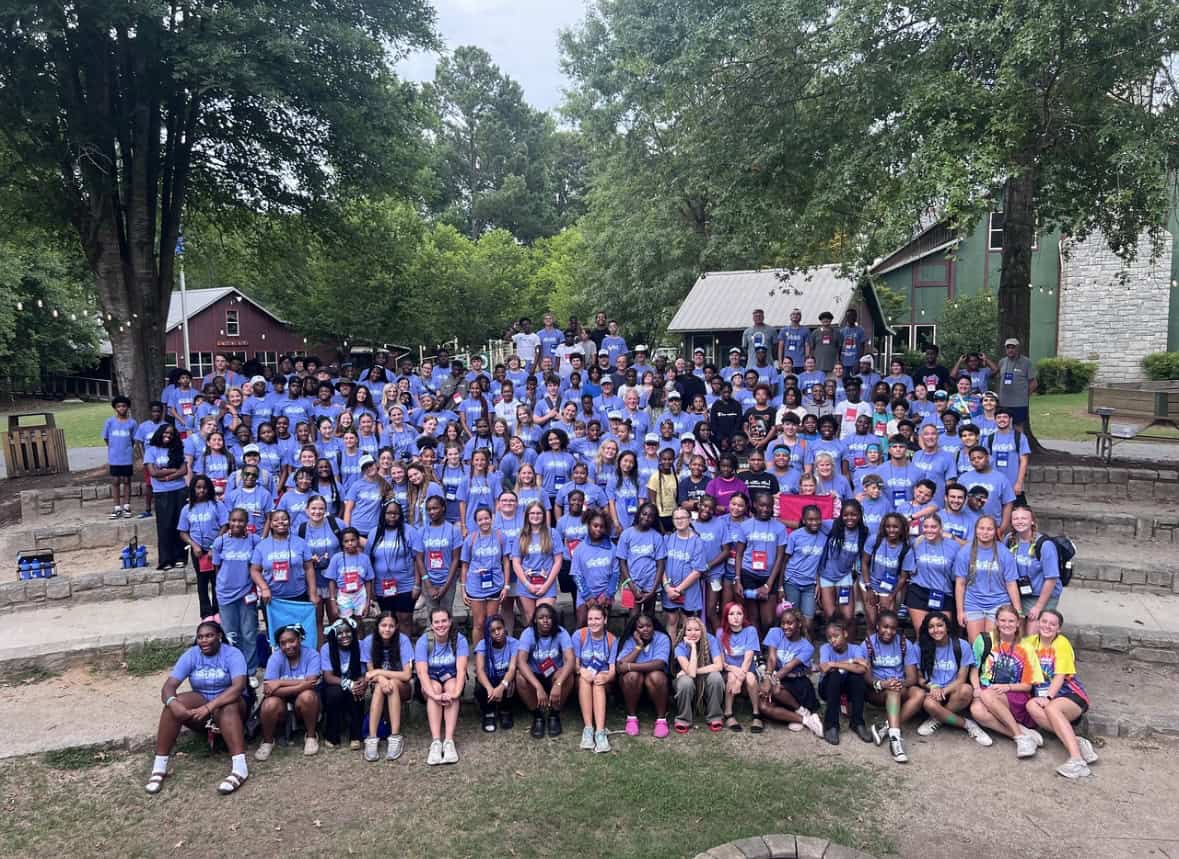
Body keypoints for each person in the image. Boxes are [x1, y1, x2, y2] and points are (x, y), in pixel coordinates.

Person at [146, 620, 249, 795]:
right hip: (202, 703)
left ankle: (240, 768)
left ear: (219, 636)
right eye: (200, 637)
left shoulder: (233, 654)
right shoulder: (192, 654)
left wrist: (208, 708)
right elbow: (168, 687)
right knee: (172, 705)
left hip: (230, 706)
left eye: (209, 636)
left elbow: (238, 687)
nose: (204, 640)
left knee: (228, 707)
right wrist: (173, 703)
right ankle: (159, 767)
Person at [1023, 609, 1099, 778]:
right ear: (1038, 623)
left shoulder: (1061, 644)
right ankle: (1076, 741)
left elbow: (1059, 677)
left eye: (1052, 624)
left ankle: (1077, 761)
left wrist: (1048, 697)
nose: (1047, 626)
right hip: (1044, 697)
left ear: (1059, 629)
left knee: (1052, 708)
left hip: (1070, 695)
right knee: (1031, 706)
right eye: (1044, 621)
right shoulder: (1029, 643)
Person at [967, 604, 1046, 759]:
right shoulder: (984, 640)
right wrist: (976, 689)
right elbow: (974, 670)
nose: (1007, 625)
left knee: (987, 694)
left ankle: (1020, 737)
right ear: (996, 622)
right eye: (1002, 620)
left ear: (1018, 623)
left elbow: (1028, 685)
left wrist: (1007, 686)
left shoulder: (1026, 647)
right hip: (986, 688)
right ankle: (1021, 733)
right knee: (977, 711)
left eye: (1011, 621)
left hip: (1014, 693)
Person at [914, 611, 992, 746]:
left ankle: (937, 718)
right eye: (931, 627)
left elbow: (961, 679)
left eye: (940, 625)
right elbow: (919, 678)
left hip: (953, 691)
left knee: (966, 690)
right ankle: (967, 724)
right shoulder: (920, 646)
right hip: (932, 691)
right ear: (926, 629)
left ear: (947, 627)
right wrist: (933, 686)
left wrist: (943, 691)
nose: (936, 630)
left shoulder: (961, 645)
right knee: (929, 704)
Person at [863, 610, 924, 762]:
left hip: (899, 687)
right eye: (885, 627)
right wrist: (883, 684)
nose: (889, 632)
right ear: (878, 626)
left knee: (919, 694)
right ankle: (895, 742)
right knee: (893, 691)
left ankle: (885, 728)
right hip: (877, 690)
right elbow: (866, 677)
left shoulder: (904, 643)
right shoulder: (868, 644)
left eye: (893, 628)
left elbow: (912, 677)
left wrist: (897, 683)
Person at [257, 624, 322, 760]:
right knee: (269, 704)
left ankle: (311, 736)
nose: (288, 646)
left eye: (292, 641)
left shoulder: (312, 655)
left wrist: (279, 683)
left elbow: (311, 682)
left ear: (299, 639)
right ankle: (268, 741)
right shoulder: (275, 658)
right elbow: (268, 690)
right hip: (281, 702)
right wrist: (300, 685)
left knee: (308, 696)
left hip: (304, 702)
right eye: (283, 643)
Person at [954, 515, 1022, 643]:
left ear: (995, 531)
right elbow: (960, 583)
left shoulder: (1004, 553)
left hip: (998, 602)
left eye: (989, 529)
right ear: (976, 530)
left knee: (993, 645)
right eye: (982, 528)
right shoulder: (965, 552)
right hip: (973, 602)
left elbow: (1011, 583)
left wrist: (1017, 610)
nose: (985, 532)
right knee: (976, 645)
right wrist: (960, 611)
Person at [415, 608, 469, 766]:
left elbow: (461, 670)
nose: (441, 625)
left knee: (452, 687)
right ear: (431, 625)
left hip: (451, 677)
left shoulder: (459, 640)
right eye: (436, 622)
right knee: (435, 689)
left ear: (450, 621)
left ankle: (449, 741)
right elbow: (422, 672)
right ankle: (436, 742)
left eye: (444, 621)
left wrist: (455, 693)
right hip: (430, 679)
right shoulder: (424, 641)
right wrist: (433, 695)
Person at [757, 606, 823, 736]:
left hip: (797, 683)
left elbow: (788, 667)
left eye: (790, 623)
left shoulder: (807, 647)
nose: (785, 627)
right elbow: (771, 658)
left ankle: (799, 708)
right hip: (776, 677)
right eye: (783, 623)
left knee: (776, 690)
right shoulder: (775, 632)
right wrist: (767, 678)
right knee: (763, 707)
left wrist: (770, 682)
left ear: (799, 624)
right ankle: (806, 719)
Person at [516, 602, 575, 738]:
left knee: (568, 675)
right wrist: (538, 687)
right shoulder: (528, 633)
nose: (545, 621)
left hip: (554, 675)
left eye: (548, 617)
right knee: (520, 677)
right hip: (534, 676)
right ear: (535, 620)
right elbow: (521, 662)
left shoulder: (561, 632)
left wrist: (558, 684)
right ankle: (538, 715)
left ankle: (554, 714)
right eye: (541, 618)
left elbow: (570, 659)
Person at [363, 612, 414, 762]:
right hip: (380, 686)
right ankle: (372, 738)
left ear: (396, 627)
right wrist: (380, 678)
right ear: (377, 626)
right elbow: (370, 673)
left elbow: (406, 675)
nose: (387, 629)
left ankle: (395, 736)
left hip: (403, 687)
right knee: (381, 685)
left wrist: (380, 673)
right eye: (383, 625)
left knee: (391, 684)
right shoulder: (369, 641)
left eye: (391, 626)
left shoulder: (403, 640)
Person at [733, 493, 787, 635]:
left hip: (769, 576)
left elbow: (780, 558)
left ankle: (766, 642)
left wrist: (768, 585)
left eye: (769, 506)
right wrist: (737, 579)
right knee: (753, 617)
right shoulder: (745, 526)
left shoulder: (780, 528)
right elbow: (739, 554)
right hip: (748, 574)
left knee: (768, 620)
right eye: (762, 505)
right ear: (755, 505)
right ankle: (757, 647)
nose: (765, 509)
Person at [178, 476, 229, 618]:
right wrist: (194, 545)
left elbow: (225, 526)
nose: (202, 490)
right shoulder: (187, 509)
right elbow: (183, 532)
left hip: (216, 550)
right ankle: (206, 614)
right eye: (198, 487)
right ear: (193, 489)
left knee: (217, 581)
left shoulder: (217, 505)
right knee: (202, 582)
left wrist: (214, 546)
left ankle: (218, 612)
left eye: (205, 488)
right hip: (198, 552)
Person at [617, 612, 672, 738]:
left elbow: (660, 663)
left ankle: (661, 719)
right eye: (641, 627)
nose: (645, 629)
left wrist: (630, 666)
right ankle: (631, 718)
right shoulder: (629, 640)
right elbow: (619, 667)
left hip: (656, 684)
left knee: (656, 676)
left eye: (648, 626)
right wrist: (638, 646)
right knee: (632, 676)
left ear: (654, 626)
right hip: (634, 685)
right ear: (635, 629)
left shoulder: (662, 638)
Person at [817, 619, 872, 745]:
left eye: (836, 636)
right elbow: (825, 667)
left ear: (845, 634)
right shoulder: (825, 648)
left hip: (847, 688)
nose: (833, 640)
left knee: (857, 677)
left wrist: (834, 664)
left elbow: (862, 668)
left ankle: (857, 722)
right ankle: (831, 725)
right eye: (829, 638)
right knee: (835, 675)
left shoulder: (855, 649)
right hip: (827, 688)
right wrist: (852, 662)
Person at [905, 514, 962, 636]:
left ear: (941, 528)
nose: (929, 530)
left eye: (933, 527)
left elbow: (957, 574)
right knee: (922, 635)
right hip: (918, 592)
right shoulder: (916, 544)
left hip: (943, 593)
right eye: (926, 527)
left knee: (941, 635)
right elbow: (908, 570)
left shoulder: (954, 546)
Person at [1007, 505, 1060, 633]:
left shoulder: (1045, 545)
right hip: (1020, 594)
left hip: (1041, 595)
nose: (1020, 521)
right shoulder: (1009, 540)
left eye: (1024, 518)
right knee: (1018, 634)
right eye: (1016, 519)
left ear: (1032, 521)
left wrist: (1038, 607)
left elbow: (1051, 579)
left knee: (1031, 636)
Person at [572, 604, 618, 753]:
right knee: (584, 680)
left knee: (598, 683)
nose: (593, 622)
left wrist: (606, 677)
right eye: (590, 619)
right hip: (583, 675)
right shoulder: (579, 635)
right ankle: (588, 729)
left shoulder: (611, 639)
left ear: (605, 620)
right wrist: (581, 671)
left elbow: (612, 670)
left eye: (597, 618)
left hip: (602, 676)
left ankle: (600, 731)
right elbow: (574, 664)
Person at [144, 423, 189, 570]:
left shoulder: (177, 449)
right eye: (165, 433)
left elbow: (183, 470)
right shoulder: (151, 450)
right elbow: (153, 473)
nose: (168, 436)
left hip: (179, 490)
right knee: (165, 526)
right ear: (159, 433)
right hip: (161, 493)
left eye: (171, 434)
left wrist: (168, 475)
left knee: (179, 524)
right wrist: (173, 470)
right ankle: (166, 560)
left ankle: (180, 557)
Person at [818, 500, 867, 635]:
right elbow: (811, 521)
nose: (849, 518)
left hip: (845, 576)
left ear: (859, 515)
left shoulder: (863, 532)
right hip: (826, 575)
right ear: (841, 515)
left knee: (848, 616)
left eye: (854, 515)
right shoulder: (832, 525)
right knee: (830, 615)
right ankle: (834, 642)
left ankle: (847, 643)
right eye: (846, 515)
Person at [320, 617, 368, 750]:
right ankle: (332, 735)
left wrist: (362, 683)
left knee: (357, 693)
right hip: (334, 684)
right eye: (340, 633)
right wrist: (349, 684)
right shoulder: (327, 648)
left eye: (348, 632)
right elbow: (328, 677)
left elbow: (363, 672)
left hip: (354, 679)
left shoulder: (360, 645)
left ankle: (356, 736)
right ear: (334, 635)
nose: (344, 635)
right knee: (335, 693)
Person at [512, 500, 563, 625]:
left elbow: (558, 561)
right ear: (527, 516)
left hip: (547, 583)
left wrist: (546, 585)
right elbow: (516, 563)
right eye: (532, 513)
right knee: (531, 619)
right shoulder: (521, 535)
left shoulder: (553, 533)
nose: (535, 516)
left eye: (539, 513)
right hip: (526, 584)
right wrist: (527, 584)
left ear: (544, 515)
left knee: (545, 618)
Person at [861, 512, 914, 632]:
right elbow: (864, 563)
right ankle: (870, 643)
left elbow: (903, 577)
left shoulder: (906, 549)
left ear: (902, 528)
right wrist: (869, 588)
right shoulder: (875, 540)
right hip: (869, 583)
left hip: (889, 588)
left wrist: (892, 596)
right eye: (888, 526)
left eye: (895, 527)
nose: (891, 530)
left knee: (886, 623)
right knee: (871, 622)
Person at [716, 601, 763, 732]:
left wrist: (739, 681)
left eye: (739, 613)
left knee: (751, 678)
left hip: (747, 670)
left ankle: (757, 714)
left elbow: (748, 660)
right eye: (731, 614)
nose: (735, 617)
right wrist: (733, 669)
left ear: (743, 616)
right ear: (726, 617)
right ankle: (728, 713)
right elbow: (721, 662)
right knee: (731, 676)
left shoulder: (750, 631)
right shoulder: (720, 633)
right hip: (728, 671)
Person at [473, 613, 519, 733]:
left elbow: (512, 668)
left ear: (505, 628)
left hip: (505, 679)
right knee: (480, 687)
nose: (497, 632)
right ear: (488, 633)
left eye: (499, 628)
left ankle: (505, 710)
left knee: (511, 683)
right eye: (493, 631)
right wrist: (490, 688)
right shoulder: (482, 645)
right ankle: (489, 712)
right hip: (490, 679)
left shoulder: (514, 643)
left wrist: (501, 687)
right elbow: (480, 670)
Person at [983, 338, 1036, 430]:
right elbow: (995, 375)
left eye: (1013, 347)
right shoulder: (1002, 362)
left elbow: (1034, 383)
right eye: (1008, 347)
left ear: (1018, 348)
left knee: (1018, 426)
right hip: (1004, 402)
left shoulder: (1026, 362)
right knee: (1003, 425)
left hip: (1019, 404)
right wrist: (985, 360)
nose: (1010, 350)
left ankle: (1018, 440)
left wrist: (1025, 396)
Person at [324, 526, 375, 619]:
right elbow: (331, 581)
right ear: (342, 543)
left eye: (353, 540)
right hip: (344, 595)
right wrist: (333, 601)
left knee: (360, 621)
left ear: (358, 541)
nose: (350, 543)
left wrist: (368, 602)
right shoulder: (336, 558)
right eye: (346, 541)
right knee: (346, 622)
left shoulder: (365, 558)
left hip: (360, 594)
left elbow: (368, 581)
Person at [103, 395, 138, 519]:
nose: (121, 408)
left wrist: (127, 449)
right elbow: (106, 438)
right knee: (115, 481)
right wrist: (113, 448)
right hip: (114, 457)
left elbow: (133, 439)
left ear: (127, 407)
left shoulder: (132, 423)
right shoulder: (109, 422)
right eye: (118, 406)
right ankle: (116, 507)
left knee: (127, 480)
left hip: (126, 457)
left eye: (124, 406)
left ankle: (127, 506)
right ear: (115, 408)